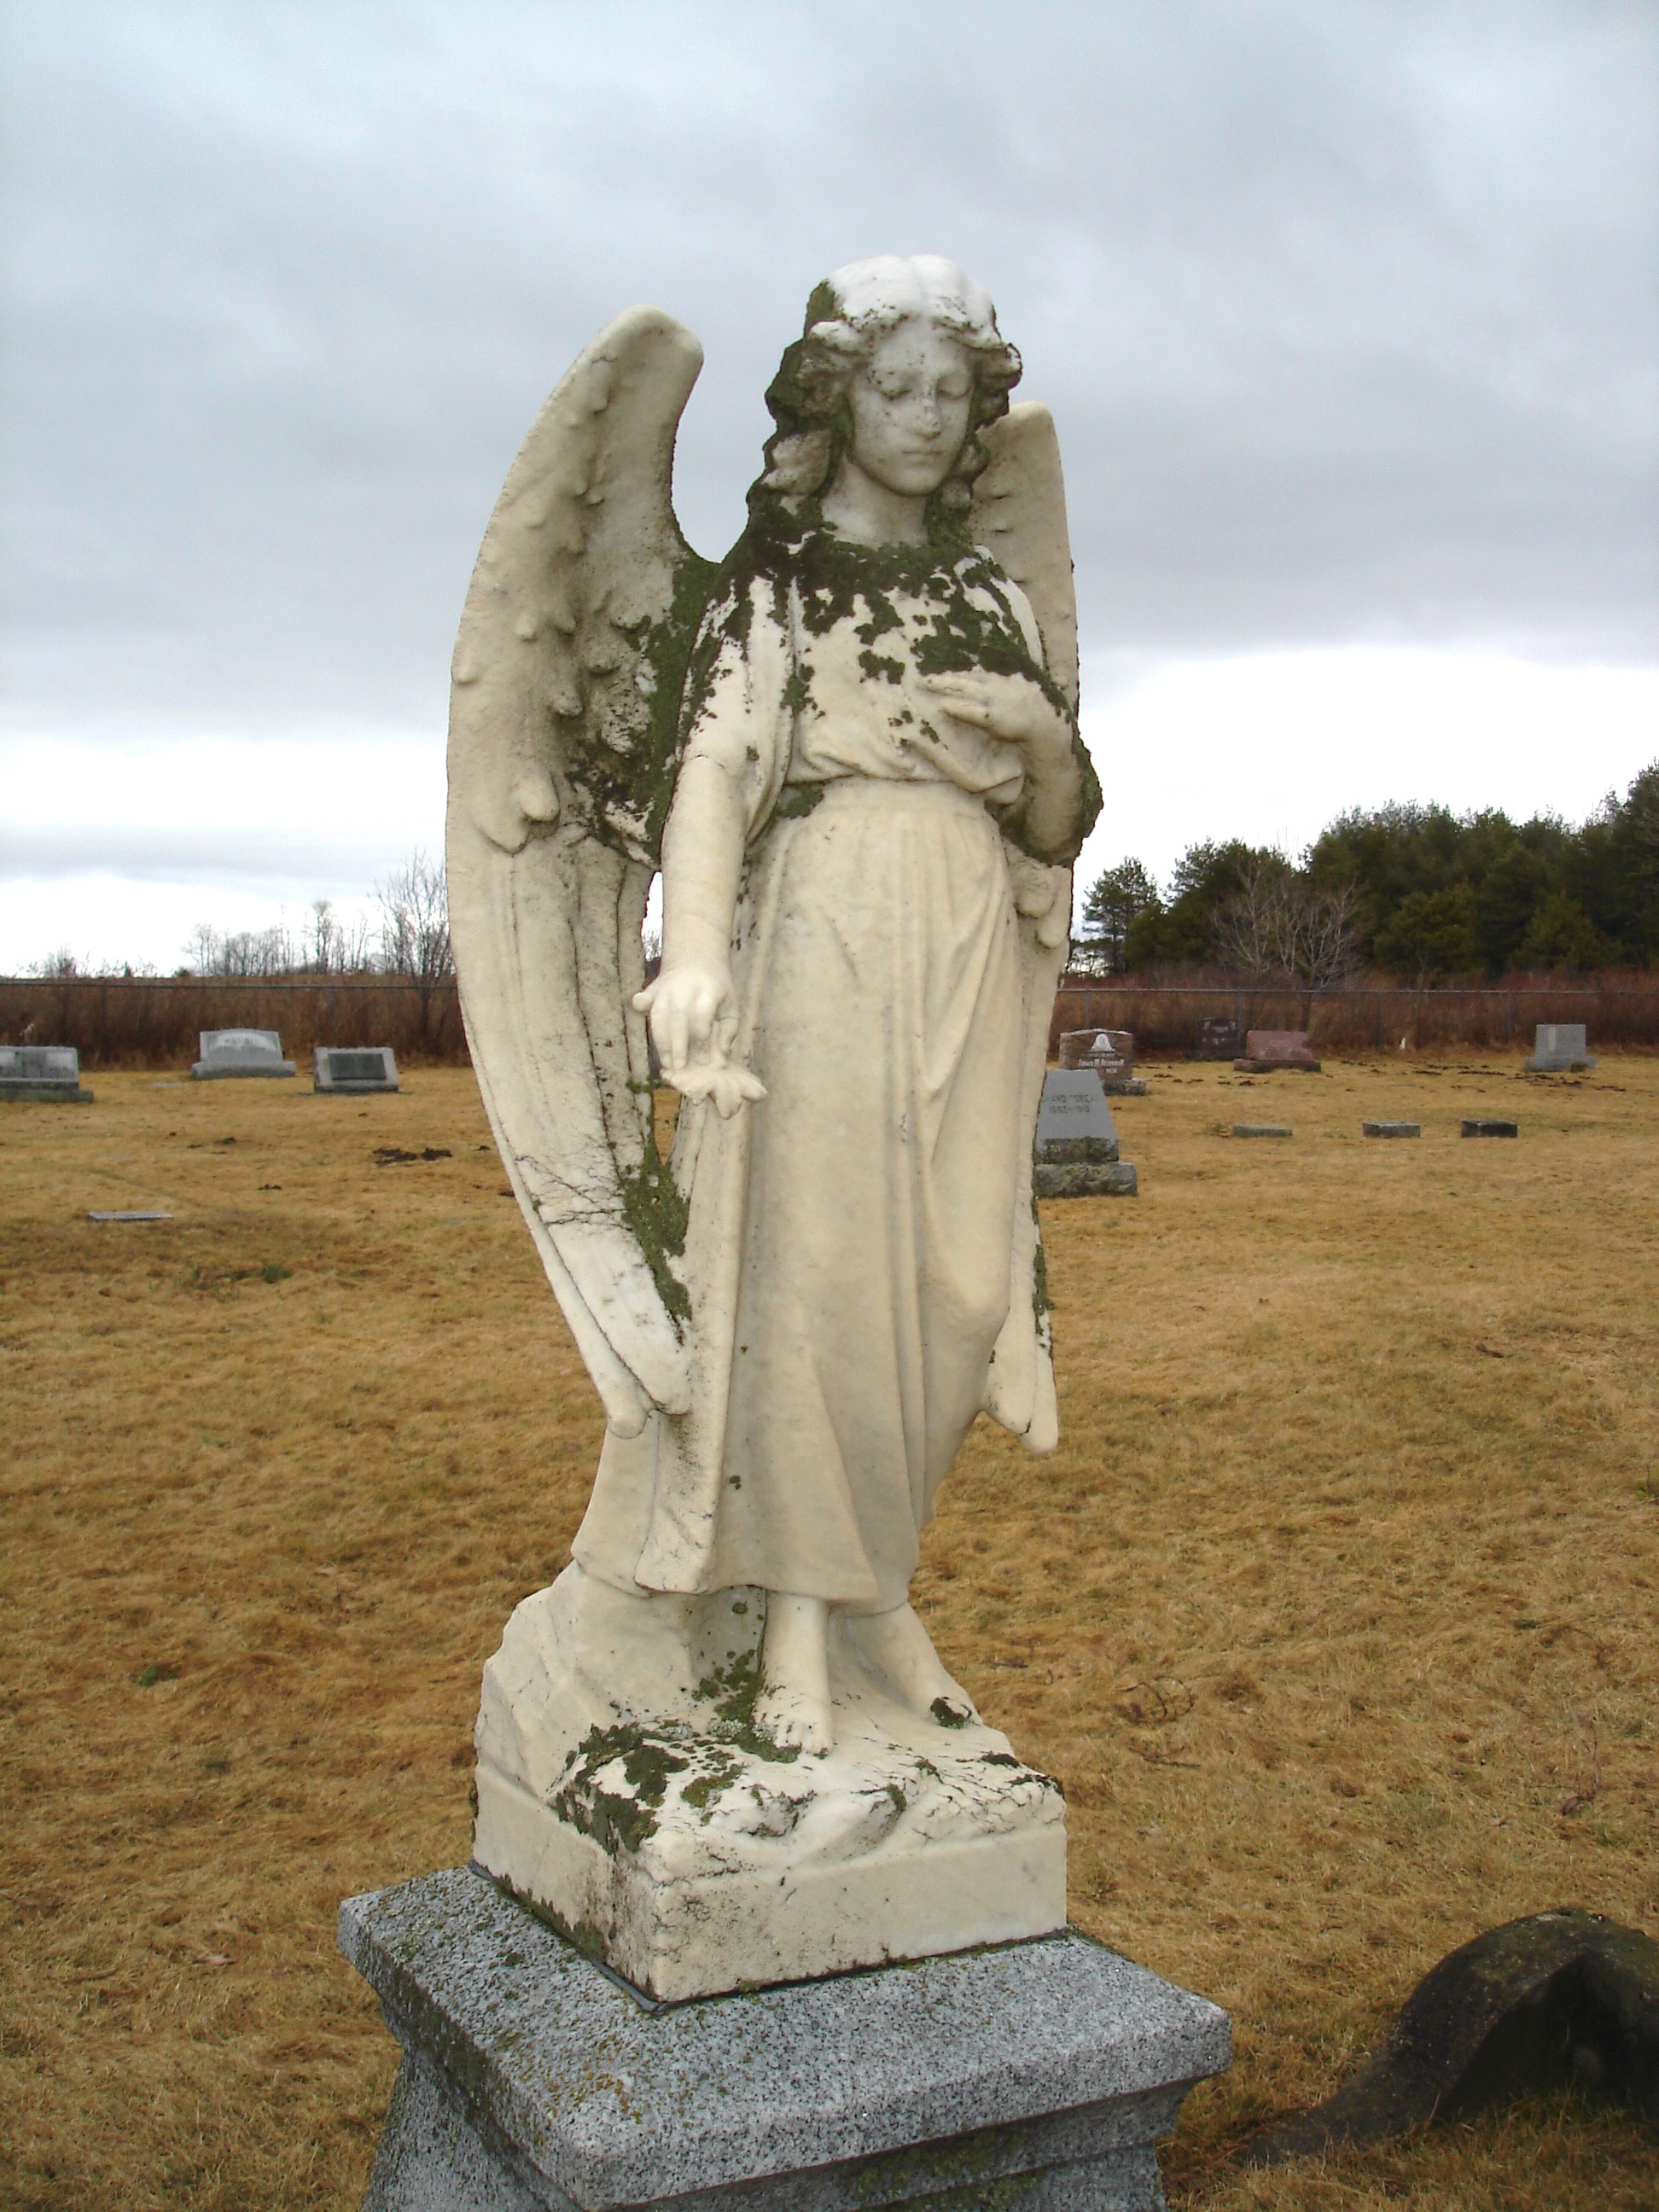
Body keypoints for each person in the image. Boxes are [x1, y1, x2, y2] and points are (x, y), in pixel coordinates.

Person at [573, 255, 1097, 1752]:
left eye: (951, 392)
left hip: (964, 940)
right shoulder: (781, 582)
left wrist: (1037, 739)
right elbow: (717, 770)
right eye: (896, 387)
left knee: (960, 1289)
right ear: (838, 397)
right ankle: (804, 1619)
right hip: (827, 922)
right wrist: (697, 957)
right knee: (815, 1281)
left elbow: (1058, 821)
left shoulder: (991, 590)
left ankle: (882, 1586)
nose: (927, 418)